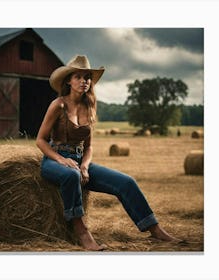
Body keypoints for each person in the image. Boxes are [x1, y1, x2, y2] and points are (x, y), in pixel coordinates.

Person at [36, 55, 179, 251]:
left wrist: (85, 166)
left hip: (80, 161)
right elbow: (40, 140)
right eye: (77, 77)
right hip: (55, 160)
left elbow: (88, 147)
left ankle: (153, 228)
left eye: (87, 77)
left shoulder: (90, 106)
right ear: (68, 80)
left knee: (126, 182)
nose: (83, 81)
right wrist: (62, 160)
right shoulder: (58, 105)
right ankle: (81, 232)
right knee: (71, 174)